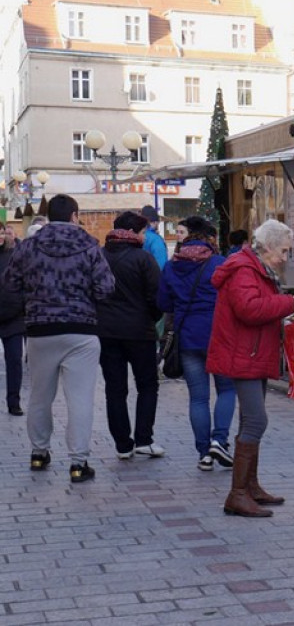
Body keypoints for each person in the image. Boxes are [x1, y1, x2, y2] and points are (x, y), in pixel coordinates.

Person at [3, 194, 115, 483]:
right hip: (81, 330)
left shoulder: (28, 246)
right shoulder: (89, 245)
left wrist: (34, 296)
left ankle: (39, 453)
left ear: (50, 216)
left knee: (40, 395)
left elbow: (10, 283)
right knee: (80, 399)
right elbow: (106, 288)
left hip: (40, 329)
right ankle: (78, 463)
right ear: (75, 216)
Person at [207, 219, 294, 517]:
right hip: (244, 354)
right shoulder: (244, 269)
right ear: (269, 247)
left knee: (249, 420)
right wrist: (289, 303)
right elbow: (249, 309)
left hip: (252, 353)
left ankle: (250, 486)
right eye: (284, 251)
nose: (285, 258)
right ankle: (237, 494)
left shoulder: (255, 267)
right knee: (256, 421)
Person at [158, 215, 236, 472]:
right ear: (208, 237)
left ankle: (204, 454)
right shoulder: (219, 263)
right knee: (226, 390)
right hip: (219, 335)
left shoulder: (171, 266)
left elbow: (163, 303)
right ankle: (219, 441)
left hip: (188, 337)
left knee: (198, 398)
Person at [97, 211, 164, 459]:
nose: (145, 236)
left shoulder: (99, 256)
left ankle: (123, 444)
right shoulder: (143, 258)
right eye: (143, 232)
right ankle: (144, 439)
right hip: (140, 332)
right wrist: (151, 318)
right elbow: (156, 297)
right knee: (147, 385)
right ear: (133, 232)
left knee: (115, 388)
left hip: (106, 332)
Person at [0, 221, 25, 416]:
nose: (0, 237)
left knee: (15, 360)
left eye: (1, 233)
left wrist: (21, 304)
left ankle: (14, 402)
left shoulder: (15, 256)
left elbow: (25, 282)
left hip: (14, 318)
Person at [140, 205, 168, 270]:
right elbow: (161, 264)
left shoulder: (137, 235)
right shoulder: (156, 239)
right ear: (155, 222)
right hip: (153, 274)